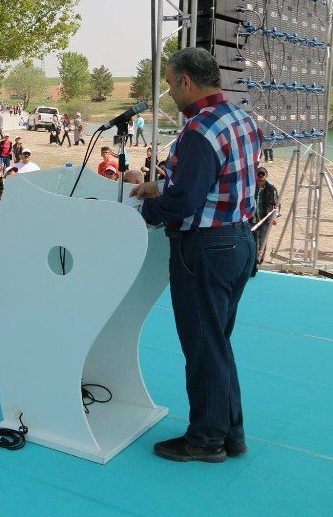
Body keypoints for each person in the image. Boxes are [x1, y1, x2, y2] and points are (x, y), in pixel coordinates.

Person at [131, 47, 259, 463]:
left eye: (169, 82)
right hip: (238, 241)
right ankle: (231, 434)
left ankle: (205, 440)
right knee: (218, 343)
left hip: (204, 249)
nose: (169, 91)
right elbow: (214, 183)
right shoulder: (241, 118)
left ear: (187, 81)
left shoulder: (199, 130)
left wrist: (143, 212)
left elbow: (186, 201)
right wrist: (164, 187)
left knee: (204, 347)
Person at [252, 167, 279, 266]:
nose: (260, 176)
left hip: (265, 219)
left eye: (262, 174)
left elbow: (276, 204)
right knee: (252, 240)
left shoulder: (271, 189)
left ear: (266, 175)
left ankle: (259, 260)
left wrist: (274, 217)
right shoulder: (250, 187)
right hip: (251, 218)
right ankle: (252, 260)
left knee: (263, 241)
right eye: (259, 173)